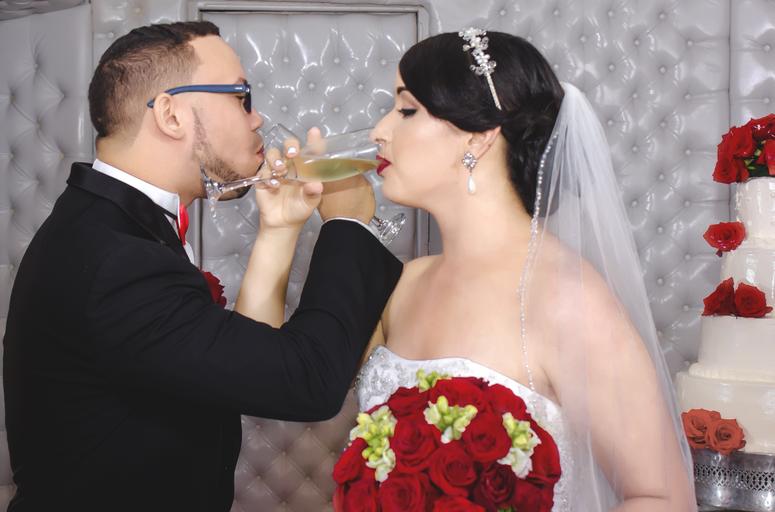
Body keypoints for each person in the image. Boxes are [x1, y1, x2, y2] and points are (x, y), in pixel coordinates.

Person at [2, 21, 402, 511]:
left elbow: (244, 368)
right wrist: (349, 223)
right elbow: (307, 381)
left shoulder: (108, 227)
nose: (257, 119)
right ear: (171, 115)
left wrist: (279, 229)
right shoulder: (117, 259)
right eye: (241, 97)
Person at [354, 30, 696, 510]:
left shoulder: (565, 297)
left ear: (479, 135)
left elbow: (662, 497)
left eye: (406, 110)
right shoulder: (405, 285)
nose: (378, 131)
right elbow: (296, 383)